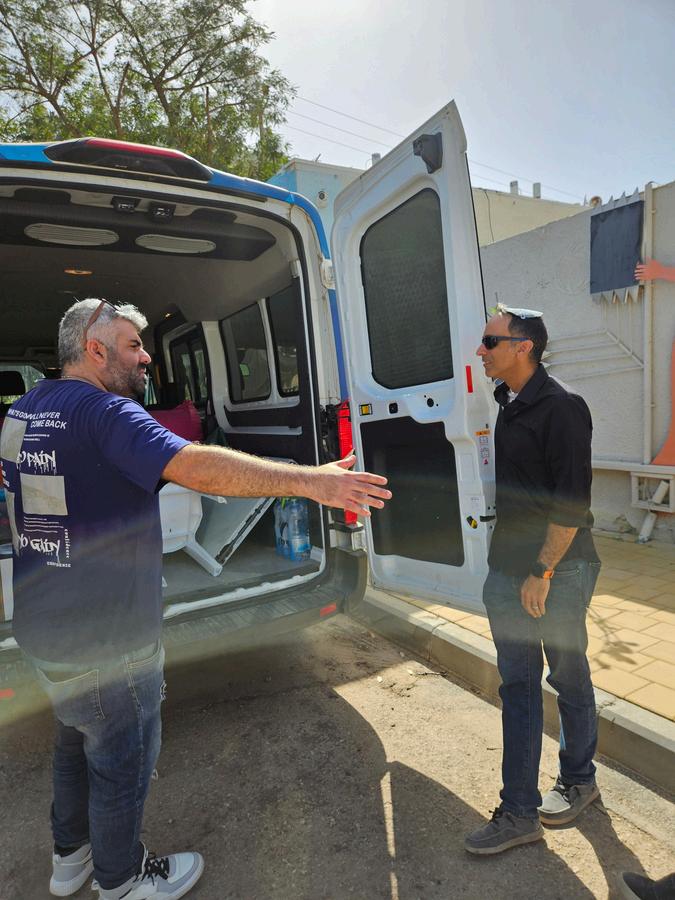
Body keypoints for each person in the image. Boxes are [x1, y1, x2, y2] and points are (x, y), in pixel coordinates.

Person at [0, 298, 391, 899]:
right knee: (122, 761)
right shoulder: (107, 412)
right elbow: (195, 468)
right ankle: (122, 880)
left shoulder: (24, 409)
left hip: (44, 629)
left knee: (75, 741)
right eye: (133, 345)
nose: (145, 357)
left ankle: (69, 858)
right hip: (109, 639)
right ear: (95, 350)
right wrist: (311, 481)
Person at [464, 304, 601, 856]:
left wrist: (542, 571)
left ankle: (579, 779)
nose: (481, 350)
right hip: (508, 570)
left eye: (490, 341)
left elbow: (571, 503)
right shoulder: (507, 402)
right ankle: (519, 811)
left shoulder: (562, 407)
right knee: (518, 687)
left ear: (524, 347)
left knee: (567, 676)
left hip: (558, 570)